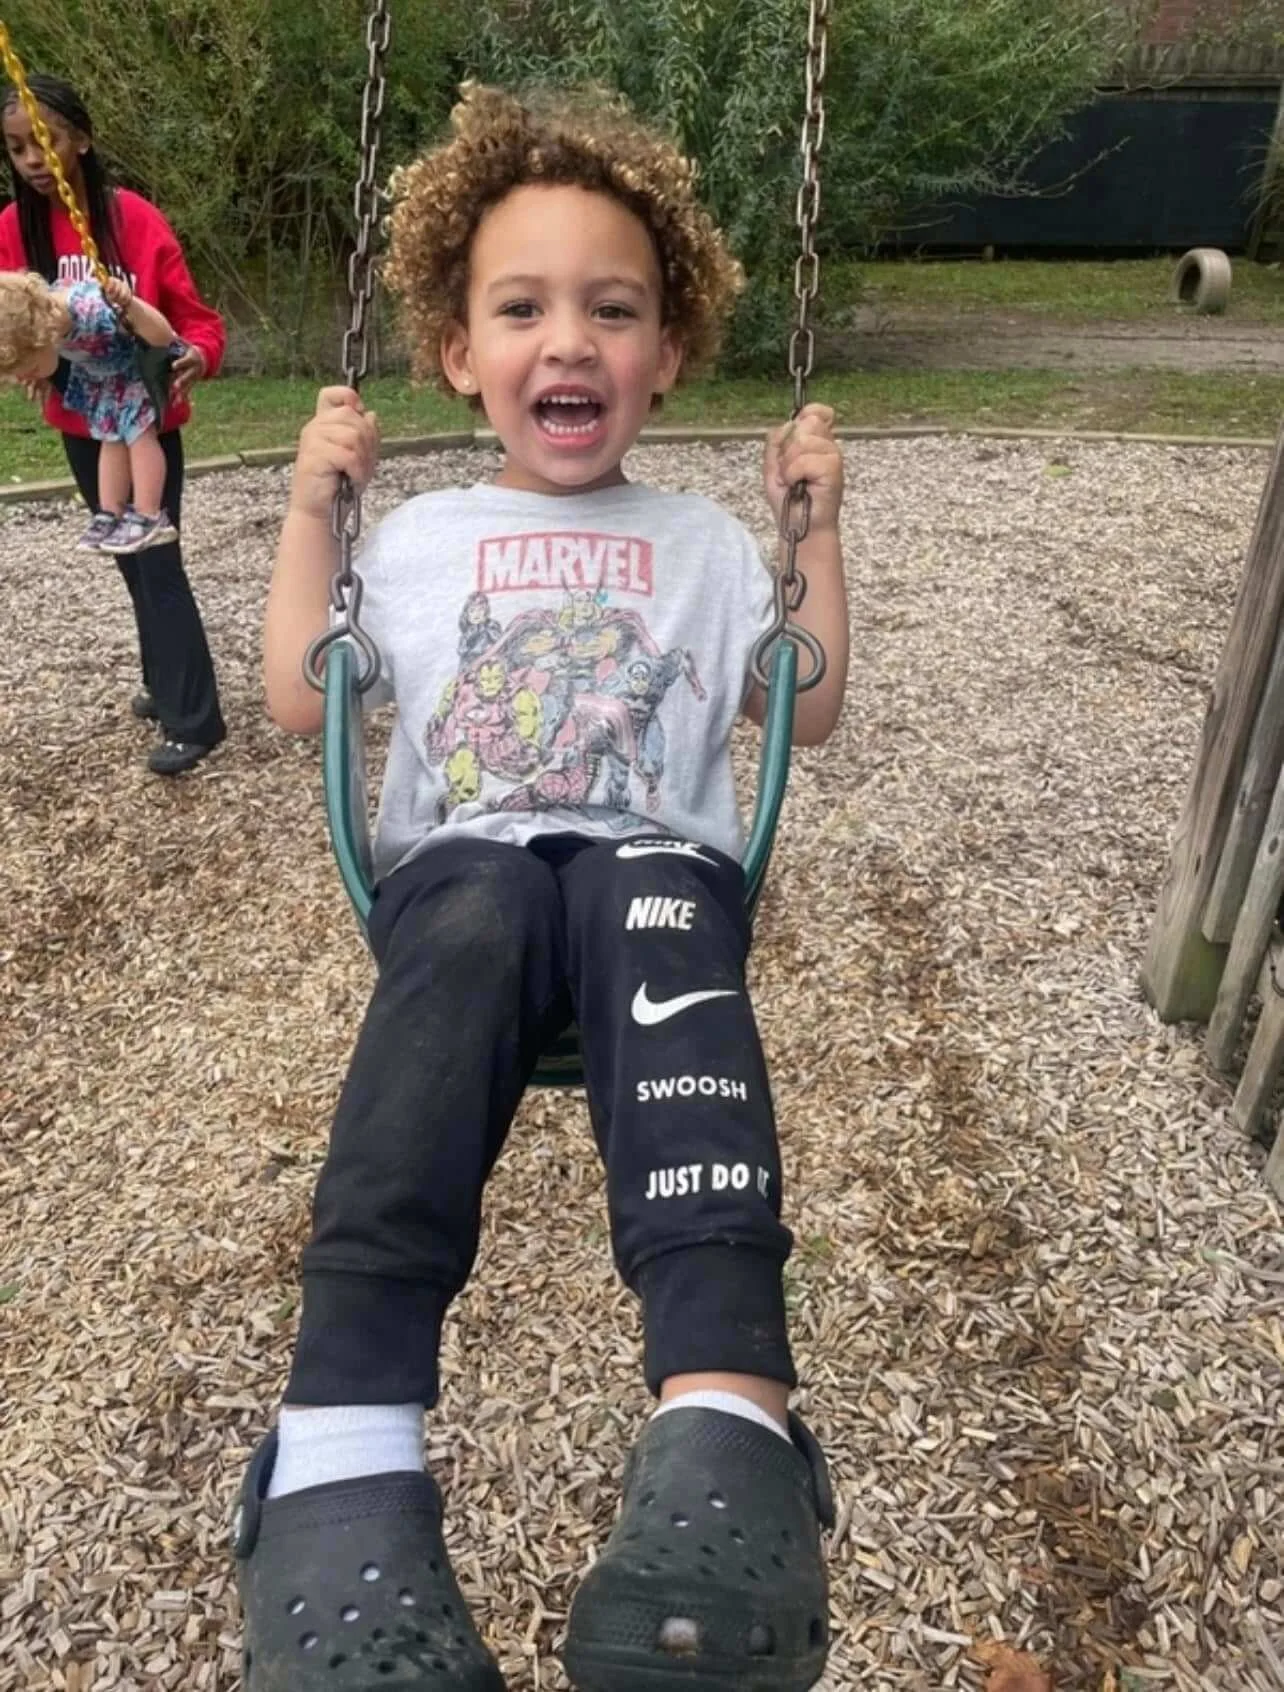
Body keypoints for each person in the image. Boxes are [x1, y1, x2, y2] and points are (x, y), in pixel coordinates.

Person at [242, 83, 849, 1692]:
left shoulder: (712, 544)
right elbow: (306, 697)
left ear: (666, 350)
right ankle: (340, 1450)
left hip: (654, 871)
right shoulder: (426, 535)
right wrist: (315, 509)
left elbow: (804, 694)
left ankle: (731, 1425)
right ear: (458, 350)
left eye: (613, 309)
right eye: (523, 309)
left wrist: (816, 534)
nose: (567, 340)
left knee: (658, 897)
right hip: (470, 873)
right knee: (471, 925)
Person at [0, 74, 226, 774]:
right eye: (15, 149)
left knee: (155, 558)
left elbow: (197, 323)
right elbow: (14, 326)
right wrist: (26, 365)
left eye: (46, 142)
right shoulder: (12, 232)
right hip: (83, 420)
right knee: (126, 558)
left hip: (147, 421)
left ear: (83, 140)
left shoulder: (134, 221)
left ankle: (197, 720)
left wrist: (198, 356)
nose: (33, 161)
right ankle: (164, 683)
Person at [0, 268, 181, 552]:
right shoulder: (48, 322)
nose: (25, 377)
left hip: (136, 371)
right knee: (110, 437)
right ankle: (110, 513)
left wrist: (130, 304)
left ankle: (150, 515)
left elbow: (163, 335)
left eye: (29, 367)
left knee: (138, 435)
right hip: (105, 379)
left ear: (37, 337)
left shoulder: (90, 307)